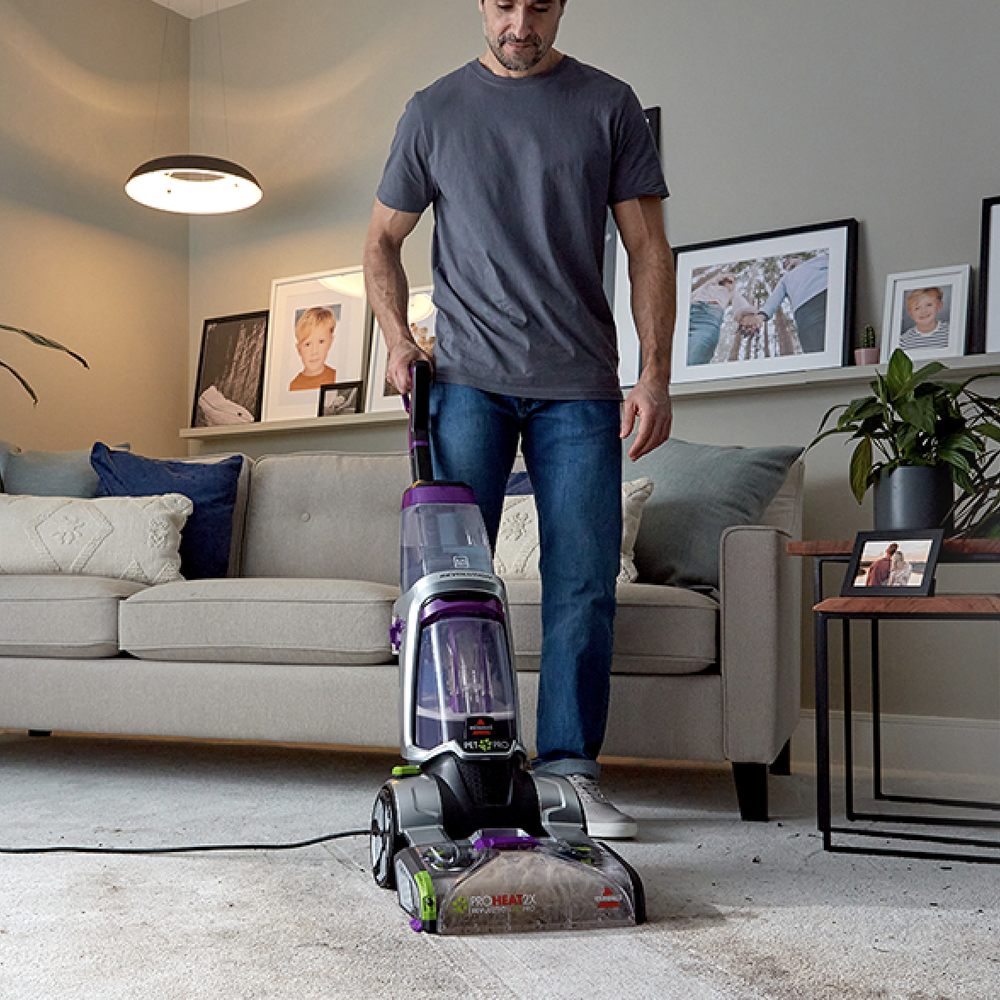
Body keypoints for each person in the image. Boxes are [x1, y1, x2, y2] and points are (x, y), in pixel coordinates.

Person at [364, 0, 675, 839]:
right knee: (452, 584)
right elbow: (380, 242)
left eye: (539, 4)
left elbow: (649, 247)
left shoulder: (607, 104)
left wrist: (653, 375)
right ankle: (448, 764)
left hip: (580, 386)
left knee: (583, 583)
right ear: (479, 4)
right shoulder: (433, 112)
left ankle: (570, 772)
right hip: (464, 383)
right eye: (504, 4)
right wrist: (397, 338)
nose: (520, 21)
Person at [745, 252, 830, 354]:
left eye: (790, 259)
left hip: (828, 295)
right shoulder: (785, 279)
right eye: (785, 263)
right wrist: (760, 317)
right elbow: (773, 299)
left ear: (799, 259)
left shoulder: (816, 261)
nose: (788, 262)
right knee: (817, 352)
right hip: (805, 311)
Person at [687, 272, 753, 365]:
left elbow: (740, 303)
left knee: (697, 353)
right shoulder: (709, 285)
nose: (729, 280)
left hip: (708, 318)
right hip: (689, 312)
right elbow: (691, 296)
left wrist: (746, 315)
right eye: (727, 277)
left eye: (731, 280)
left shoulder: (731, 292)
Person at [288, 307, 337, 391]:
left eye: (321, 342)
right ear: (299, 349)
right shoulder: (295, 385)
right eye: (307, 344)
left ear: (330, 342)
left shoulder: (335, 376)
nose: (314, 351)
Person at [900, 287, 950, 353]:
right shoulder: (903, 340)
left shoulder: (949, 331)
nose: (923, 311)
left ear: (939, 305)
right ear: (911, 313)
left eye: (929, 305)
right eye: (917, 308)